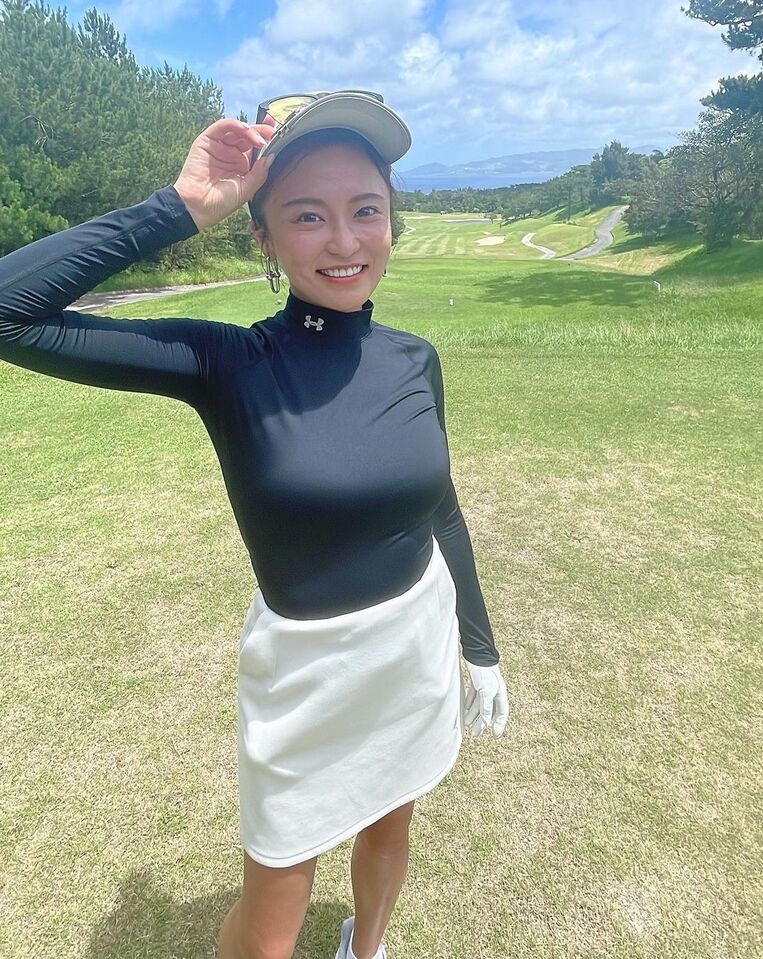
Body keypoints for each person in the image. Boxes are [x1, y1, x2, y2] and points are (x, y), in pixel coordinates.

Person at [0, 90, 510, 959]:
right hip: (303, 676)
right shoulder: (228, 363)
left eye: (366, 210)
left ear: (392, 221)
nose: (344, 241)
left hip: (413, 647)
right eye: (307, 215)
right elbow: (10, 311)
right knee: (270, 929)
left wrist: (479, 646)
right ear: (263, 238)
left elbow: (441, 505)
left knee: (391, 827)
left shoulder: (414, 359)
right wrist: (178, 208)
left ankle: (366, 947)